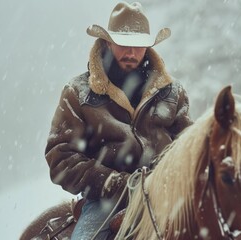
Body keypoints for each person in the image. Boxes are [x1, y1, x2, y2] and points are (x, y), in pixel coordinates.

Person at [44, 2, 192, 239]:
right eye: (124, 44)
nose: (132, 53)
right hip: (104, 203)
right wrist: (114, 183)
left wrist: (164, 181)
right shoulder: (78, 92)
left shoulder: (173, 92)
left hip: (168, 196)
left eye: (139, 45)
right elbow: (61, 157)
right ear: (107, 42)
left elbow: (189, 146)